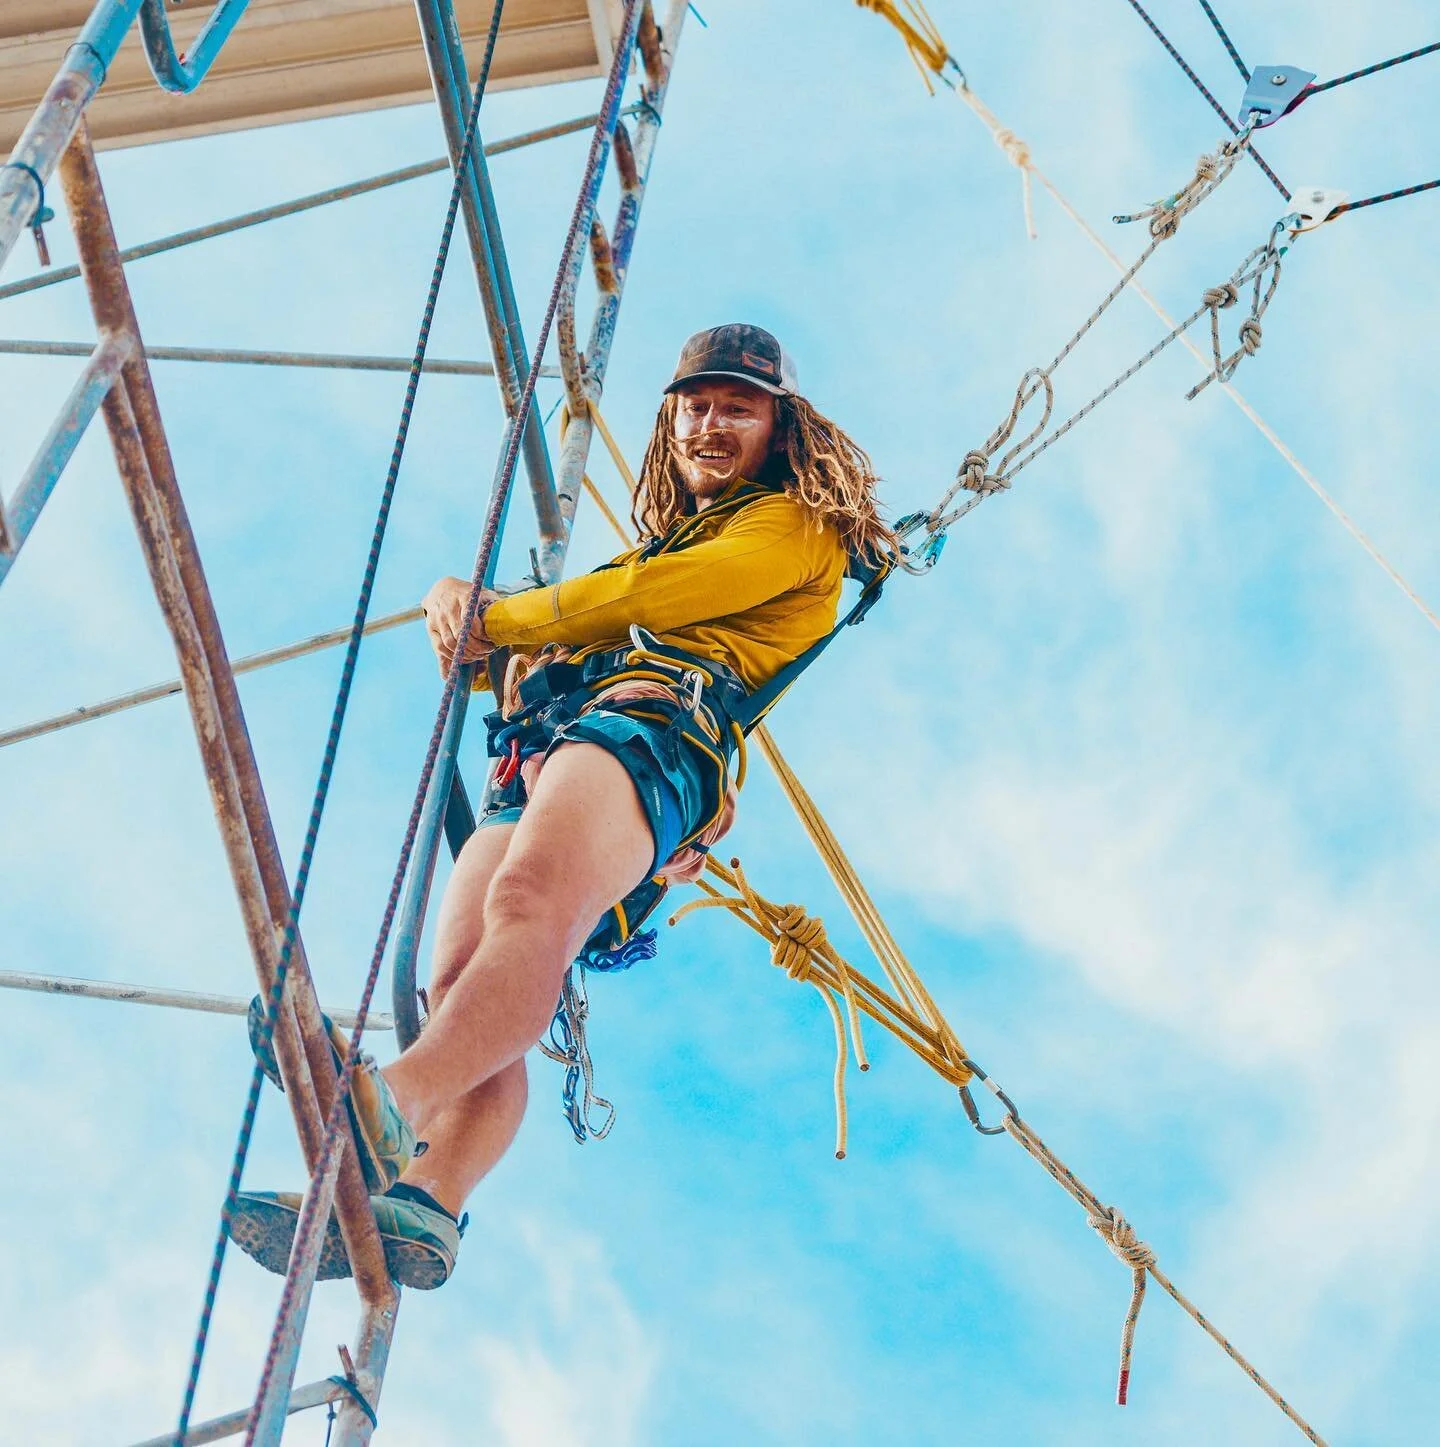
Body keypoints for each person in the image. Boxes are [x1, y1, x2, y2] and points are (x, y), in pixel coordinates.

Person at [229, 324, 897, 1288]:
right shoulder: (679, 533)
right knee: (457, 986)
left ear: (781, 429)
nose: (710, 424)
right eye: (695, 406)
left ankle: (388, 1108)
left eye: (737, 409)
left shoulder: (794, 527)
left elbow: (661, 594)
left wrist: (498, 614)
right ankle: (427, 1198)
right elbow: (592, 615)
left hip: (654, 731)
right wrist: (471, 621)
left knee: (530, 907)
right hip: (554, 747)